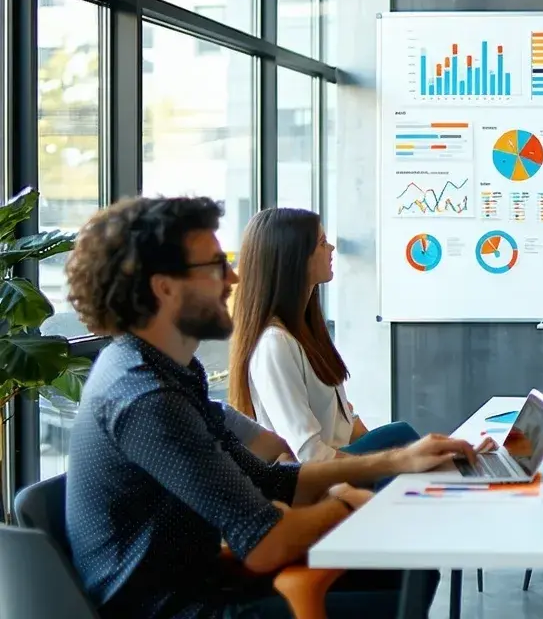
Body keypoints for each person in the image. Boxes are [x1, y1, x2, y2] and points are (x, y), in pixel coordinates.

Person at [62, 196, 490, 618]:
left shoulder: (169, 371)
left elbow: (271, 480)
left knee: (406, 571)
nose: (233, 278)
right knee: (396, 591)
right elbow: (266, 544)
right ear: (165, 287)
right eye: (216, 266)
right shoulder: (145, 397)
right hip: (182, 609)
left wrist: (400, 460)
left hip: (212, 582)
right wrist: (349, 504)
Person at [228, 207, 420, 463]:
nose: (331, 248)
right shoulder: (275, 343)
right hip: (326, 475)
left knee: (406, 440)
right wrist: (393, 461)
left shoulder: (306, 332)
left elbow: (348, 424)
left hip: (342, 461)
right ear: (294, 258)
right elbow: (310, 454)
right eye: (322, 243)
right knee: (402, 435)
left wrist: (395, 453)